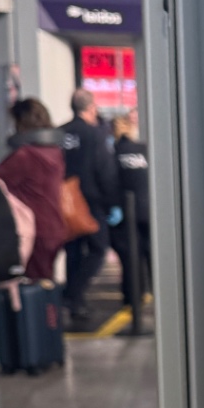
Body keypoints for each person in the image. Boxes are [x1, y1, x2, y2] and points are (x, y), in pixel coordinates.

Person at [61, 89, 120, 330]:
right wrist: (112, 201)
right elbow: (104, 170)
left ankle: (76, 303)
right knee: (98, 249)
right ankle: (72, 294)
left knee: (73, 252)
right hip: (90, 201)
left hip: (65, 202)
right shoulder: (95, 135)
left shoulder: (61, 132)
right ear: (91, 108)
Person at [0, 99, 66, 282]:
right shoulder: (54, 151)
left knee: (31, 288)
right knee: (45, 284)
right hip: (54, 226)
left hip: (33, 229)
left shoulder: (25, 156)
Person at [111, 109, 151, 317]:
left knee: (131, 258)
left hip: (127, 213)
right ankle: (157, 293)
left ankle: (133, 297)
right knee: (151, 255)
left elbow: (111, 183)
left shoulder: (113, 153)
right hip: (148, 210)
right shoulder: (143, 149)